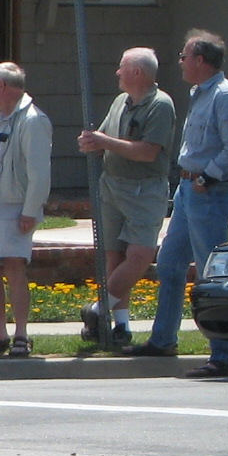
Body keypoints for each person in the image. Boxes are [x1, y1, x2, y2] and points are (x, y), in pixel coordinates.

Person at [136, 30, 228, 377]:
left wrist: (207, 177)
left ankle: (223, 356)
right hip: (188, 191)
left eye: (185, 57)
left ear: (201, 60)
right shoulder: (199, 94)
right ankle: (163, 340)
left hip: (210, 193)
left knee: (212, 271)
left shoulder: (225, 96)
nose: (181, 63)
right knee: (170, 264)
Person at [76, 47, 174, 349]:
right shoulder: (121, 101)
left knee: (140, 256)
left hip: (145, 190)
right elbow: (106, 136)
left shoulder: (160, 105)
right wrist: (92, 141)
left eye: (122, 67)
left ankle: (98, 309)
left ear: (137, 73)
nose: (117, 72)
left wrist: (104, 141)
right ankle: (121, 326)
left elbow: (147, 152)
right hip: (112, 187)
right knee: (114, 255)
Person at [0, 61, 52, 359]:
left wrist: (30, 210)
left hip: (13, 210)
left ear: (2, 86)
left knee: (14, 267)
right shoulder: (0, 118)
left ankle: (21, 335)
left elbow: (39, 172)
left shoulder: (32, 120)